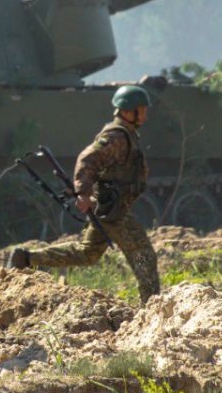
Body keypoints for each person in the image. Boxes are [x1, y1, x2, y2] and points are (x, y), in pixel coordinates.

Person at [8, 85, 161, 304]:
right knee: (144, 256)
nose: (145, 115)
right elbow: (88, 159)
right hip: (113, 210)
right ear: (128, 111)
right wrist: (83, 193)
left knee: (87, 253)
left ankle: (26, 258)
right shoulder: (117, 137)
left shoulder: (126, 134)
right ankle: (153, 308)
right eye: (142, 110)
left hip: (110, 207)